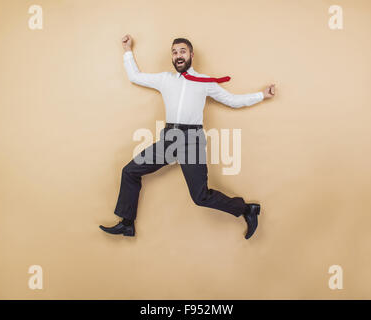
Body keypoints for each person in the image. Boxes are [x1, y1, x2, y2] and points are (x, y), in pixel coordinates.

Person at [99, 34, 276, 239]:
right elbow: (135, 76)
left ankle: (247, 209)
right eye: (174, 52)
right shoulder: (165, 79)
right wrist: (127, 50)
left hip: (191, 140)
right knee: (129, 171)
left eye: (182, 51)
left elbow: (233, 100)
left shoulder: (204, 82)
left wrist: (261, 95)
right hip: (170, 138)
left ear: (191, 55)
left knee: (200, 197)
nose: (178, 55)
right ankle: (127, 224)